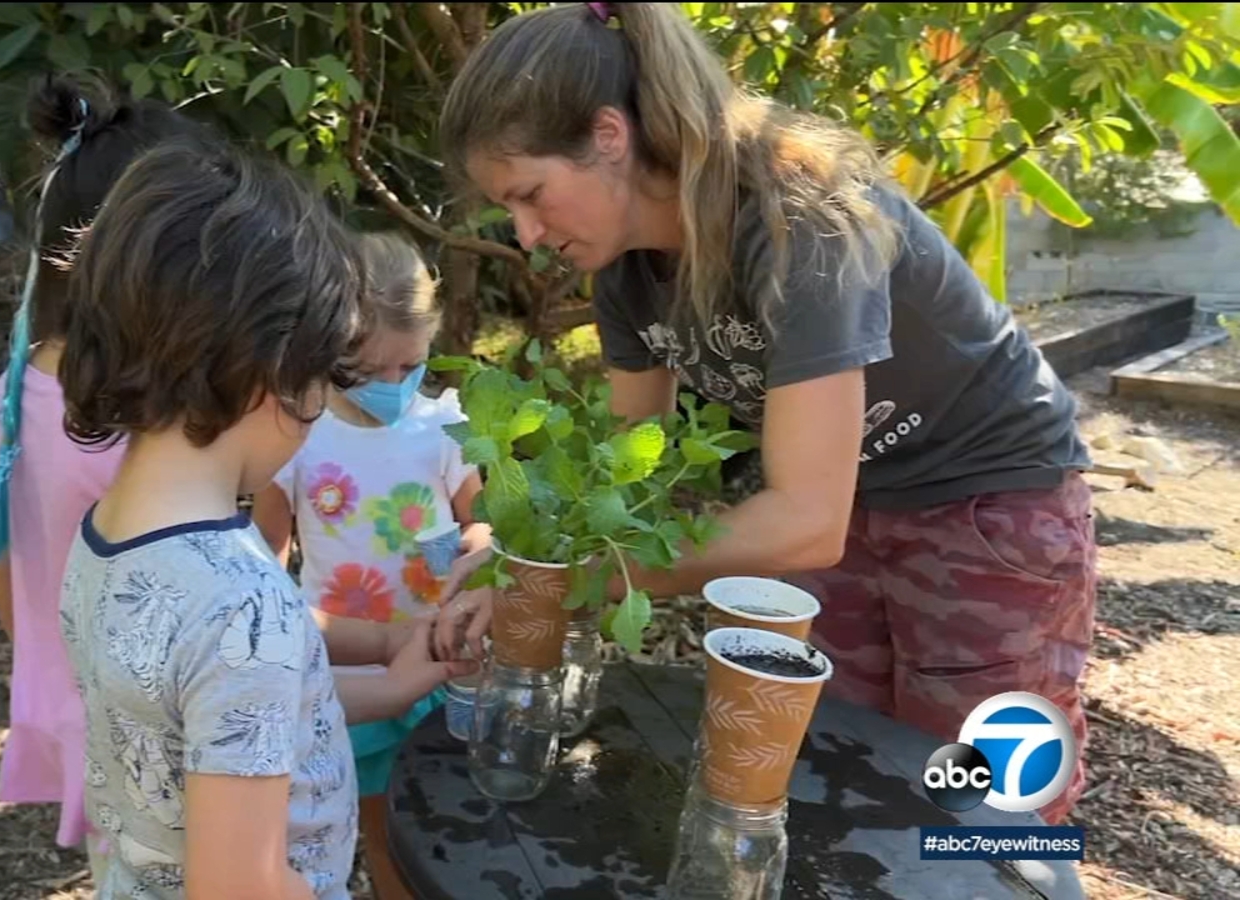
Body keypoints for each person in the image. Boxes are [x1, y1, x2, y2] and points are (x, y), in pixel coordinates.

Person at [434, 2, 1096, 825]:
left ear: (609, 136)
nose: (527, 234)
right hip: (850, 503)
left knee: (982, 795)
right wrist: (519, 556)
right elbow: (622, 473)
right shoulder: (627, 274)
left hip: (985, 498)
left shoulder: (801, 218)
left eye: (532, 195)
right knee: (851, 766)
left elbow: (804, 519)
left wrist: (578, 582)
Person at [56, 136, 475, 899]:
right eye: (327, 374)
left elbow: (232, 726)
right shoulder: (241, 607)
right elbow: (241, 886)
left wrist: (389, 669)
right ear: (268, 372)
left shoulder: (106, 541)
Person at [0, 75, 221, 879]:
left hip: (79, 704)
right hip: (153, 723)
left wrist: (42, 661)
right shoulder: (140, 432)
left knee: (129, 871)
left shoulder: (16, 391)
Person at [252, 231, 490, 896]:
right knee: (382, 828)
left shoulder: (446, 425)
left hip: (447, 656)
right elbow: (265, 569)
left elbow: (481, 520)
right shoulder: (295, 441)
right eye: (370, 372)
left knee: (456, 816)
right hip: (348, 674)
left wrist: (479, 549)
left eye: (408, 367)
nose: (392, 384)